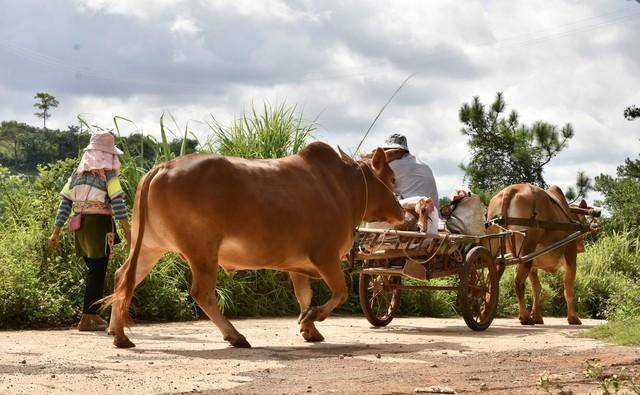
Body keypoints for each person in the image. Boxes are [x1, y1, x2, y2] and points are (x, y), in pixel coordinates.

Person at [48, 132, 131, 331]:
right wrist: (128, 233)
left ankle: (92, 315)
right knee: (98, 270)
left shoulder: (76, 175)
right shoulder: (109, 175)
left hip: (80, 227)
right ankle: (87, 317)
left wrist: (56, 232)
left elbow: (65, 204)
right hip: (99, 225)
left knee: (94, 270)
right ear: (108, 155)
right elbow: (118, 204)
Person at [381, 133, 440, 209]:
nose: (385, 154)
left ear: (399, 151)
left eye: (387, 150)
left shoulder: (394, 165)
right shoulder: (424, 165)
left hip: (412, 212)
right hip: (434, 215)